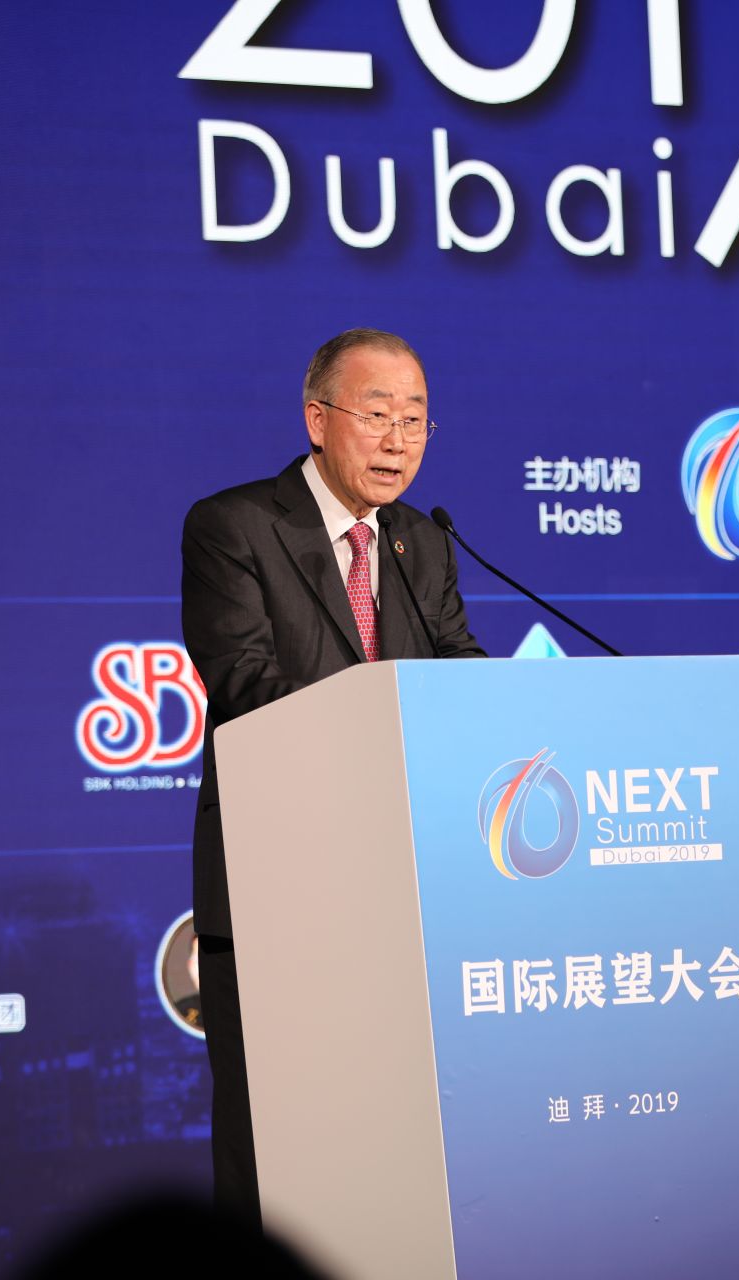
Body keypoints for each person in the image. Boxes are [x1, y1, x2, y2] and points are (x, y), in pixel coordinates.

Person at [179, 329, 486, 1223]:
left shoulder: (422, 541)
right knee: (272, 1138)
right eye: (377, 415)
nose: (398, 441)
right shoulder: (234, 526)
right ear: (317, 420)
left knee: (392, 1136)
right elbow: (247, 683)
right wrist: (388, 725)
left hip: (403, 886)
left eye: (416, 420)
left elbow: (457, 662)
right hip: (279, 878)